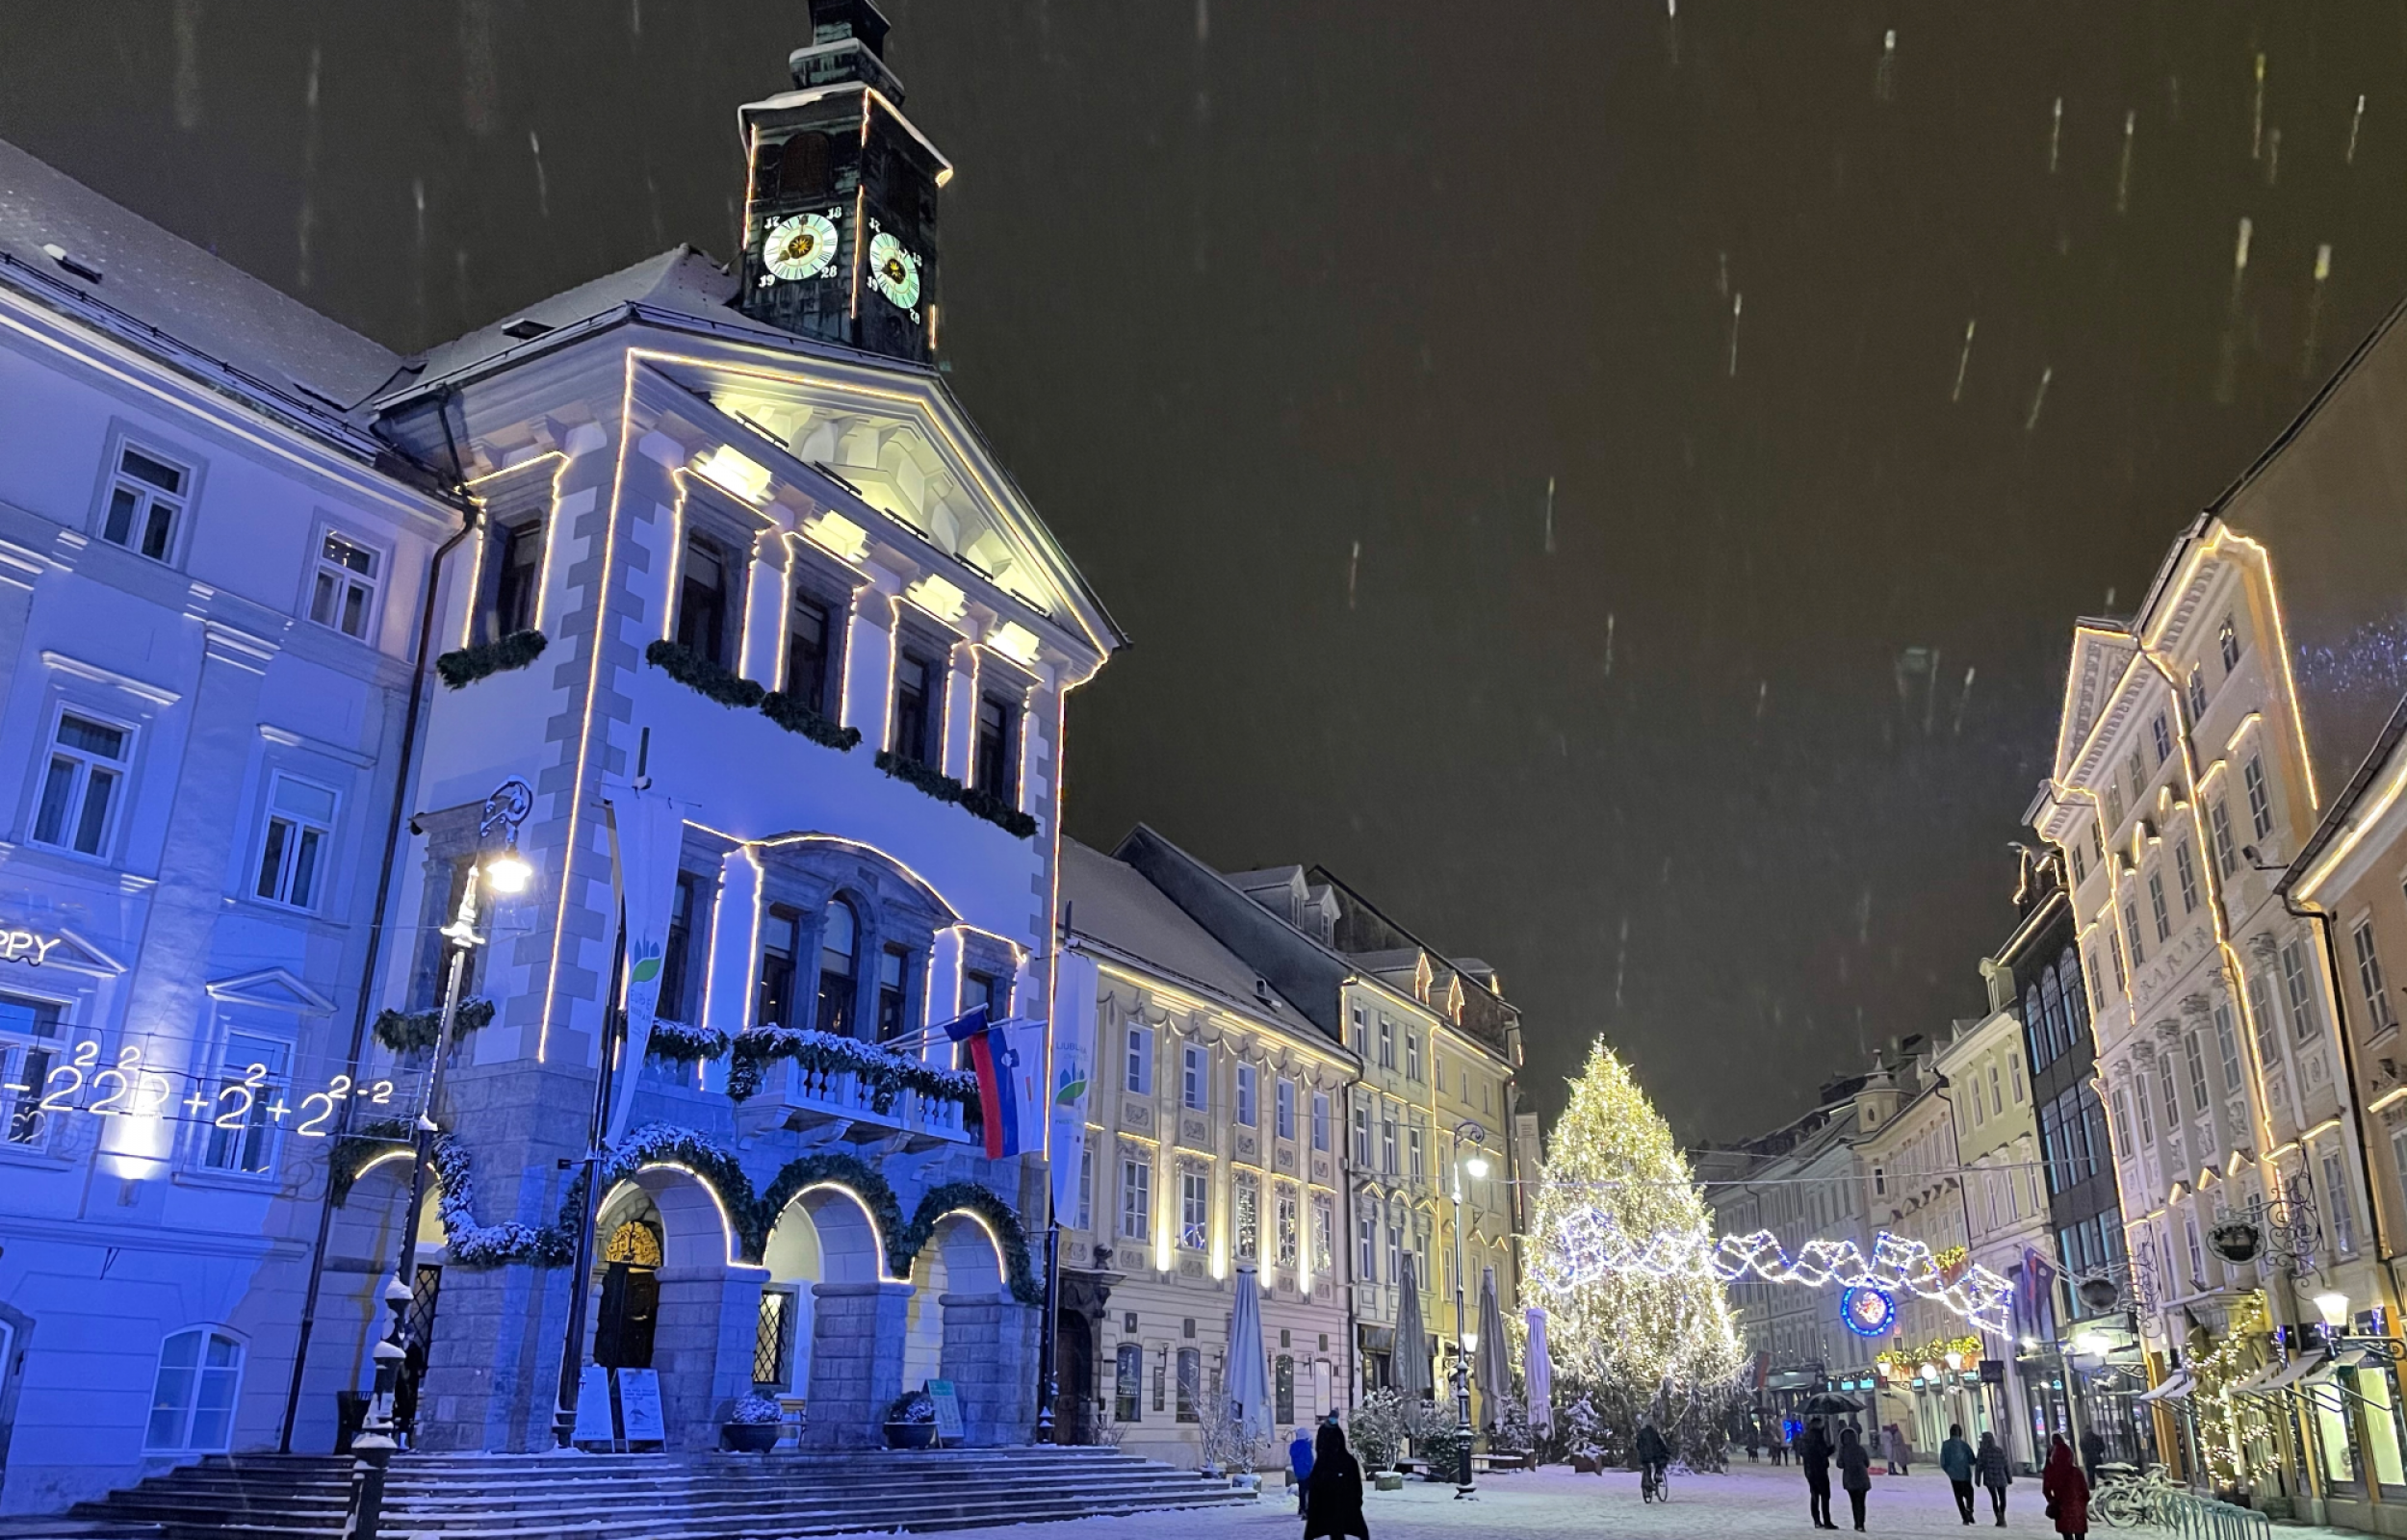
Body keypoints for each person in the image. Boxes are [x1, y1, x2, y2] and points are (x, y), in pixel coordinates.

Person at [1303, 1421, 1368, 1540]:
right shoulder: (1346, 1462)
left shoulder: (1323, 1464)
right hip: (1342, 1507)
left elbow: (1314, 1490)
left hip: (1331, 1507)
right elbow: (1357, 1488)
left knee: (1336, 1532)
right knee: (1341, 1532)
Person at [2042, 1434, 2090, 1540]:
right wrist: (2082, 1503)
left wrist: (2052, 1501)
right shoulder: (2076, 1472)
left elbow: (2046, 1490)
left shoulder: (2052, 1472)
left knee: (2067, 1534)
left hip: (2062, 1507)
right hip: (2077, 1507)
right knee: (2079, 1534)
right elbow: (2085, 1491)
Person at [1800, 1415, 1836, 1529]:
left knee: (1814, 1495)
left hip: (1809, 1470)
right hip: (1819, 1469)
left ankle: (1816, 1520)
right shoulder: (1818, 1436)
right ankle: (1827, 1521)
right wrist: (1832, 1449)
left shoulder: (1806, 1436)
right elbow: (1823, 1452)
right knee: (1825, 1495)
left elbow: (1802, 1452)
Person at [1838, 1424, 1873, 1532]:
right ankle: (1861, 1524)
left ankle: (1856, 1523)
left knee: (1854, 1502)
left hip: (1850, 1479)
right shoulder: (1860, 1449)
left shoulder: (1843, 1450)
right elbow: (1867, 1463)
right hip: (1862, 1478)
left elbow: (1840, 1464)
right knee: (1861, 1502)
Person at [1940, 1424, 1977, 1525]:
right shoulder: (1964, 1445)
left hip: (1954, 1476)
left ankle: (1965, 1517)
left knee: (1958, 1497)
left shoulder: (1945, 1445)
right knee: (1969, 1494)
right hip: (1965, 1475)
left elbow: (1943, 1462)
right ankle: (1969, 1510)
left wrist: (1949, 1471)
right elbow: (1972, 1460)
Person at [1975, 1430, 2012, 1527]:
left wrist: (1977, 1479)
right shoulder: (1999, 1450)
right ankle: (2002, 1515)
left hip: (1989, 1478)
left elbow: (1979, 1466)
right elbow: (2006, 1465)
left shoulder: (1982, 1452)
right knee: (2002, 1498)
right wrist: (2009, 1477)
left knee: (1994, 1498)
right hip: (2001, 1477)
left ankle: (1998, 1517)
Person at [1634, 1419, 1670, 1498]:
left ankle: (1647, 1484)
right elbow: (1660, 1444)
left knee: (1647, 1468)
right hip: (1654, 1455)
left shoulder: (1640, 1433)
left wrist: (1641, 1451)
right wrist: (1666, 1452)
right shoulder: (1654, 1433)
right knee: (1660, 1462)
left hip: (1643, 1456)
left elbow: (1638, 1445)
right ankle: (1658, 1474)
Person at [1289, 1423, 1317, 1517]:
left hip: (1298, 1472)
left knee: (1302, 1490)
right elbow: (1309, 1460)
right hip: (1308, 1472)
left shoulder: (1294, 1446)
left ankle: (1301, 1508)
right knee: (1309, 1491)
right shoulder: (1306, 1446)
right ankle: (1307, 1509)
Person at [2078, 1426, 2107, 1490]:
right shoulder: (2097, 1438)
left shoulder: (2082, 1440)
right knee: (2100, 1475)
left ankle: (2092, 1489)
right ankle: (2104, 1487)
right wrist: (2097, 1452)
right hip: (2097, 1458)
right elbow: (2103, 1447)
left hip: (2088, 1460)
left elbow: (2082, 1450)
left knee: (2091, 1476)